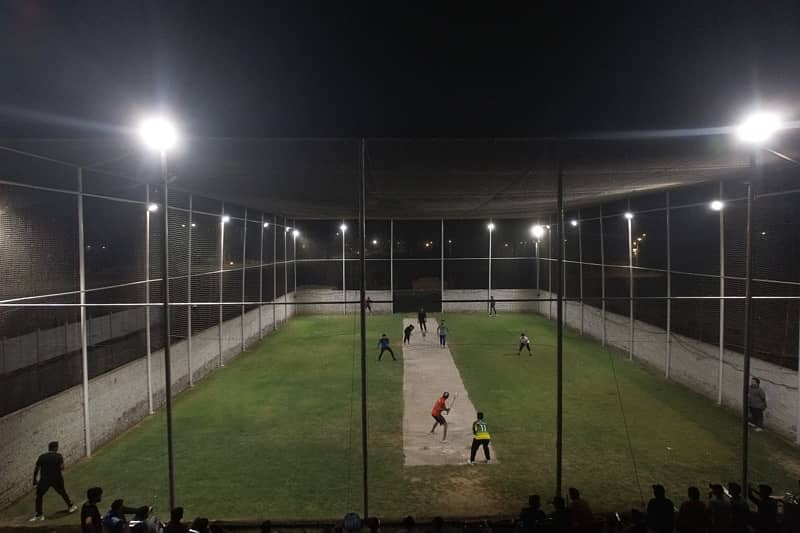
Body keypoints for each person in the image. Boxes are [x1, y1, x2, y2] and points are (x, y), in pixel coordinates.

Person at [30, 440, 77, 521]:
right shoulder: (58, 456)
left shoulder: (42, 457)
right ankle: (71, 506)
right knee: (62, 492)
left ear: (49, 448)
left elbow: (36, 469)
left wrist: (34, 479)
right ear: (55, 448)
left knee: (39, 496)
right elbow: (62, 467)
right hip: (56, 479)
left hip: (44, 480)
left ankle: (39, 515)